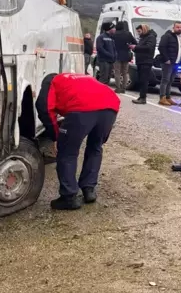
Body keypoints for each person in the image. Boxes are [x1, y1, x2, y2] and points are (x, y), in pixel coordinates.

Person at [36, 72, 120, 210]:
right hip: (110, 106)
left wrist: (55, 136)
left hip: (82, 108)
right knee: (95, 147)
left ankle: (68, 197)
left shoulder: (51, 81)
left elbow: (44, 108)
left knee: (67, 152)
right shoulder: (78, 79)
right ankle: (89, 189)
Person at [157, 21, 181, 106]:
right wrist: (166, 59)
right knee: (165, 80)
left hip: (176, 62)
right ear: (173, 28)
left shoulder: (180, 37)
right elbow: (161, 47)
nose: (179, 29)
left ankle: (168, 97)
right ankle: (162, 98)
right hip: (168, 62)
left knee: (170, 80)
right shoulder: (167, 36)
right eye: (177, 27)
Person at [131, 24, 157, 104]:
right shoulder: (143, 38)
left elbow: (148, 48)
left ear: (144, 29)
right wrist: (134, 48)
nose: (138, 33)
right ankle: (141, 96)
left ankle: (143, 97)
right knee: (141, 80)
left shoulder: (151, 37)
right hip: (140, 61)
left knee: (144, 80)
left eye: (139, 31)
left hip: (146, 61)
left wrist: (136, 47)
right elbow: (141, 48)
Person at [112, 20, 136, 93]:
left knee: (117, 72)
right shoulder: (128, 34)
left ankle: (118, 88)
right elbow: (135, 42)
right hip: (126, 55)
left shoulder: (114, 34)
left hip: (116, 55)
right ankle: (124, 88)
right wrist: (128, 45)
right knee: (125, 73)